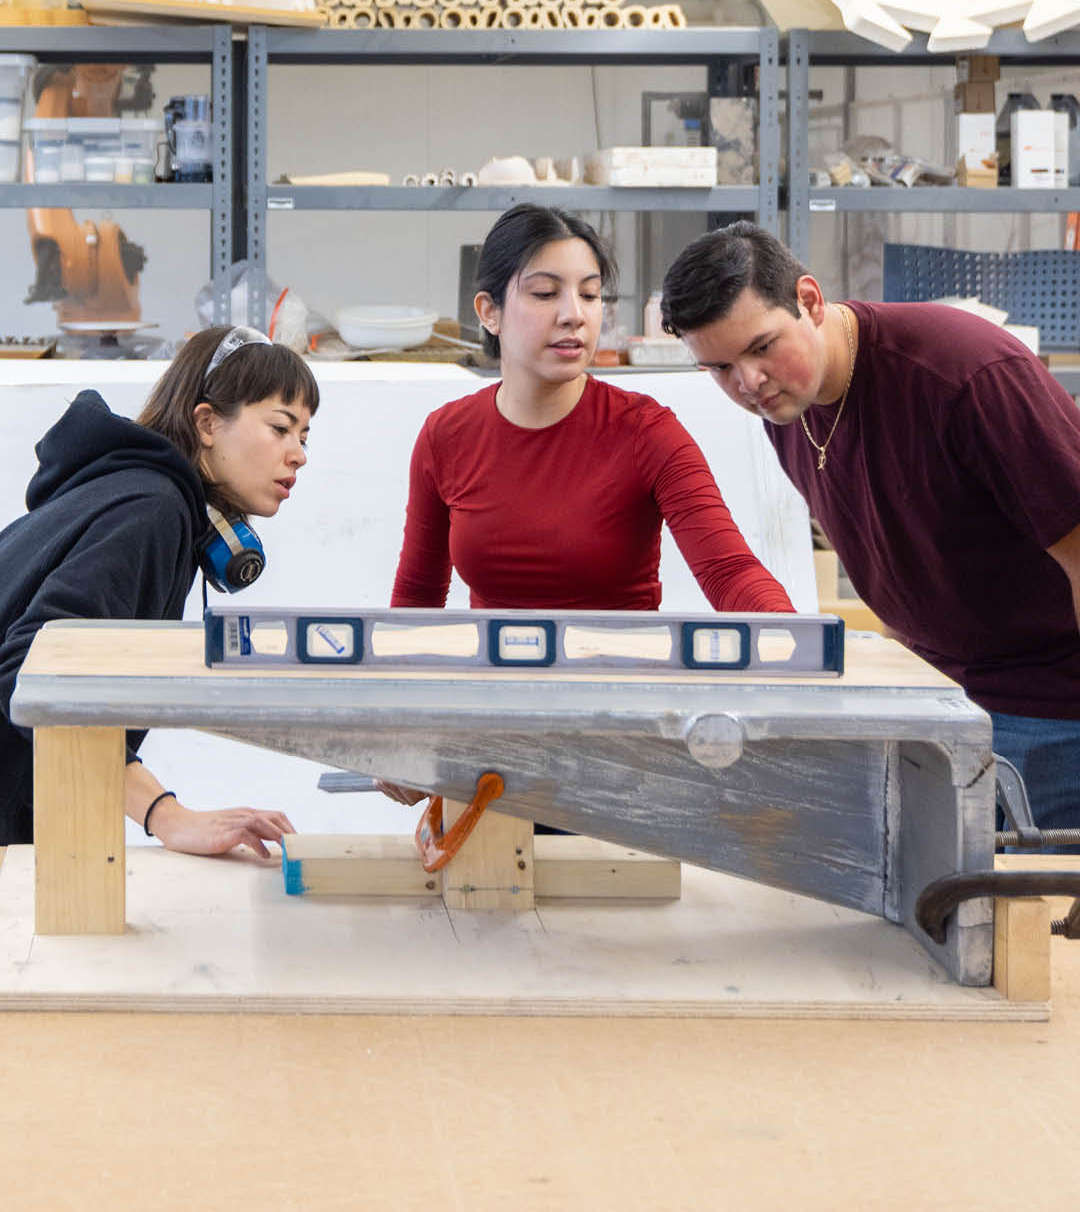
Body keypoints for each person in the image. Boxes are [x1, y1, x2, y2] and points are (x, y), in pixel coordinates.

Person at [659, 219, 1080, 829]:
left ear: (809, 300)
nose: (748, 382)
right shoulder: (786, 405)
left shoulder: (963, 373)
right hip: (939, 699)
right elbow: (898, 555)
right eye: (720, 368)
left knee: (1024, 890)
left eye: (761, 347)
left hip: (1050, 714)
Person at [379, 205, 793, 808]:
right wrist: (397, 728)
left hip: (621, 748)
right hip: (490, 744)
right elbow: (417, 601)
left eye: (591, 294)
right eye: (545, 293)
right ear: (489, 311)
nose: (574, 313)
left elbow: (730, 573)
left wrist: (794, 655)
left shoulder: (647, 432)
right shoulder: (446, 436)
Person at [0, 324, 317, 854]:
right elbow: (31, 674)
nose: (298, 454)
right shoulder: (154, 511)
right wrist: (165, 815)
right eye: (280, 428)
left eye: (304, 437)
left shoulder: (136, 492)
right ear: (207, 423)